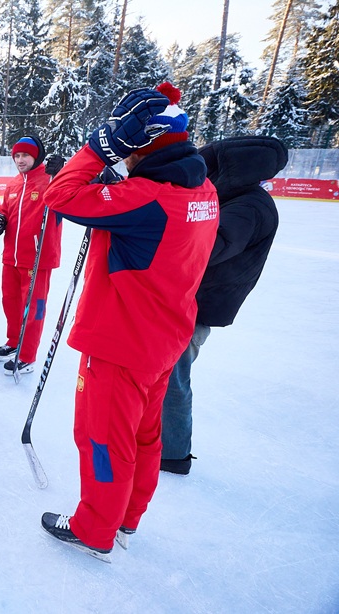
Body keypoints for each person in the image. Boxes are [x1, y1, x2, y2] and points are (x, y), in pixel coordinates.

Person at [38, 82, 219, 561]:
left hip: (121, 343)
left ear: (143, 148)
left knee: (102, 438)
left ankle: (96, 528)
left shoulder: (147, 199)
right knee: (144, 436)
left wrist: (99, 148)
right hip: (164, 338)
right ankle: (126, 518)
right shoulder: (202, 191)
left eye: (130, 151)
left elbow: (60, 195)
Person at [160, 135, 287, 475]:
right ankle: (158, 439)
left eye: (211, 166)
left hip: (200, 305)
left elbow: (212, 246)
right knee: (164, 373)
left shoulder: (249, 207)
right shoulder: (231, 197)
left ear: (233, 169)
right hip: (188, 298)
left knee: (174, 377)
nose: (205, 173)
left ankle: (172, 452)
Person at [0, 135, 62, 374]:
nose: (20, 160)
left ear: (36, 156)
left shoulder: (50, 179)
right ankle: (14, 341)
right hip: (11, 257)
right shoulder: (14, 184)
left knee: (33, 308)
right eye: (17, 156)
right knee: (11, 303)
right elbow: (3, 210)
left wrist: (61, 174)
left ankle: (27, 355)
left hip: (38, 258)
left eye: (25, 155)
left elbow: (71, 191)